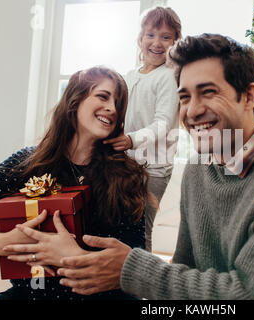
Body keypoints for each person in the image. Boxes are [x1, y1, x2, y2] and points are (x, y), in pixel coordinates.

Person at [53, 34, 254, 299]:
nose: (193, 110)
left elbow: (253, 294)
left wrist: (130, 269)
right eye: (185, 97)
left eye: (209, 92)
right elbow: (186, 271)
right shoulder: (198, 169)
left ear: (249, 95)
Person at [0, 66, 150, 300]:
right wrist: (3, 243)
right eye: (103, 96)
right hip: (31, 296)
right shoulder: (25, 163)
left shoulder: (126, 176)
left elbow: (134, 257)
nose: (112, 108)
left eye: (118, 104)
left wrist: (74, 256)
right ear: (75, 99)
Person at [103, 7, 182, 252]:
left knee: (143, 230)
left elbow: (163, 123)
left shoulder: (168, 77)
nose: (157, 43)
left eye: (166, 37)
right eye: (151, 35)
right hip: (123, 164)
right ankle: (114, 279)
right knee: (119, 225)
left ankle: (139, 283)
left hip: (154, 170)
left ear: (175, 42)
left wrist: (131, 140)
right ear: (140, 38)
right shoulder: (128, 76)